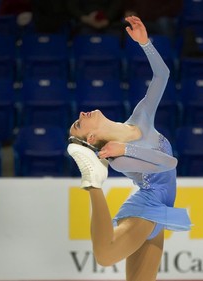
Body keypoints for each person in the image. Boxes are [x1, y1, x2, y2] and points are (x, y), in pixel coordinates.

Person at [67, 16, 192, 281]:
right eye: (79, 122)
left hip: (161, 212)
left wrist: (145, 44)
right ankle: (93, 185)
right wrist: (126, 150)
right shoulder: (118, 160)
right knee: (105, 254)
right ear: (90, 137)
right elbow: (170, 163)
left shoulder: (140, 115)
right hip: (146, 207)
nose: (81, 112)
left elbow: (163, 75)